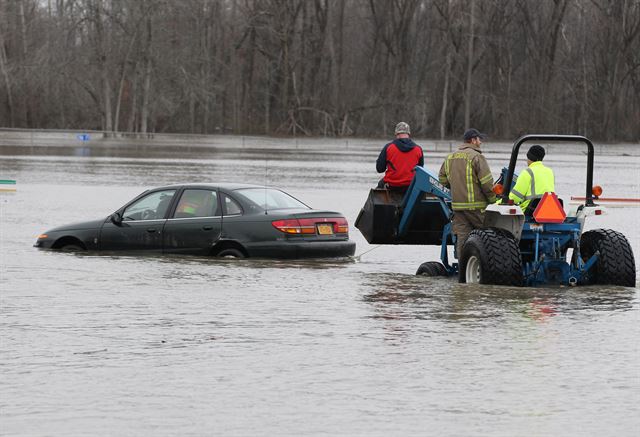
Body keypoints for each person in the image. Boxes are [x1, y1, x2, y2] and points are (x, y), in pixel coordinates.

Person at [438, 128, 496, 257]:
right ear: (473, 140)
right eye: (479, 139)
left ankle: (463, 270)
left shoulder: (450, 157)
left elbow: (441, 180)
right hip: (477, 208)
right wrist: (494, 202)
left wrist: (454, 186)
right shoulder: (477, 157)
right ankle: (485, 268)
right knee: (488, 238)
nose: (480, 142)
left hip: (458, 207)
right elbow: (487, 183)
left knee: (462, 240)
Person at [376, 122, 424, 190]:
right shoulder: (418, 149)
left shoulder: (388, 147)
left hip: (392, 185)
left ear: (396, 133)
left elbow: (379, 169)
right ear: (408, 133)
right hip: (410, 186)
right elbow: (420, 171)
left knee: (380, 185)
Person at [509, 144, 555, 213]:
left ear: (529, 157)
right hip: (548, 210)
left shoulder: (527, 172)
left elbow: (514, 198)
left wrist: (498, 202)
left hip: (530, 211)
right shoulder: (550, 171)